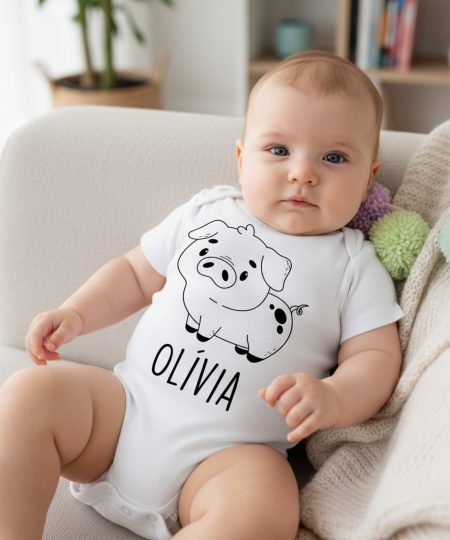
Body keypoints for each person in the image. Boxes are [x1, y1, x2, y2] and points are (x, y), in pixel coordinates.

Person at [0, 51, 403, 540]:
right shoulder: (208, 211)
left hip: (226, 461)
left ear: (368, 179)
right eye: (278, 149)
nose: (302, 173)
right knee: (29, 394)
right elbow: (133, 274)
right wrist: (76, 313)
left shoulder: (355, 265)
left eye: (334, 158)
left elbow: (376, 358)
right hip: (124, 416)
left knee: (267, 508)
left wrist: (335, 397)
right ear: (242, 159)